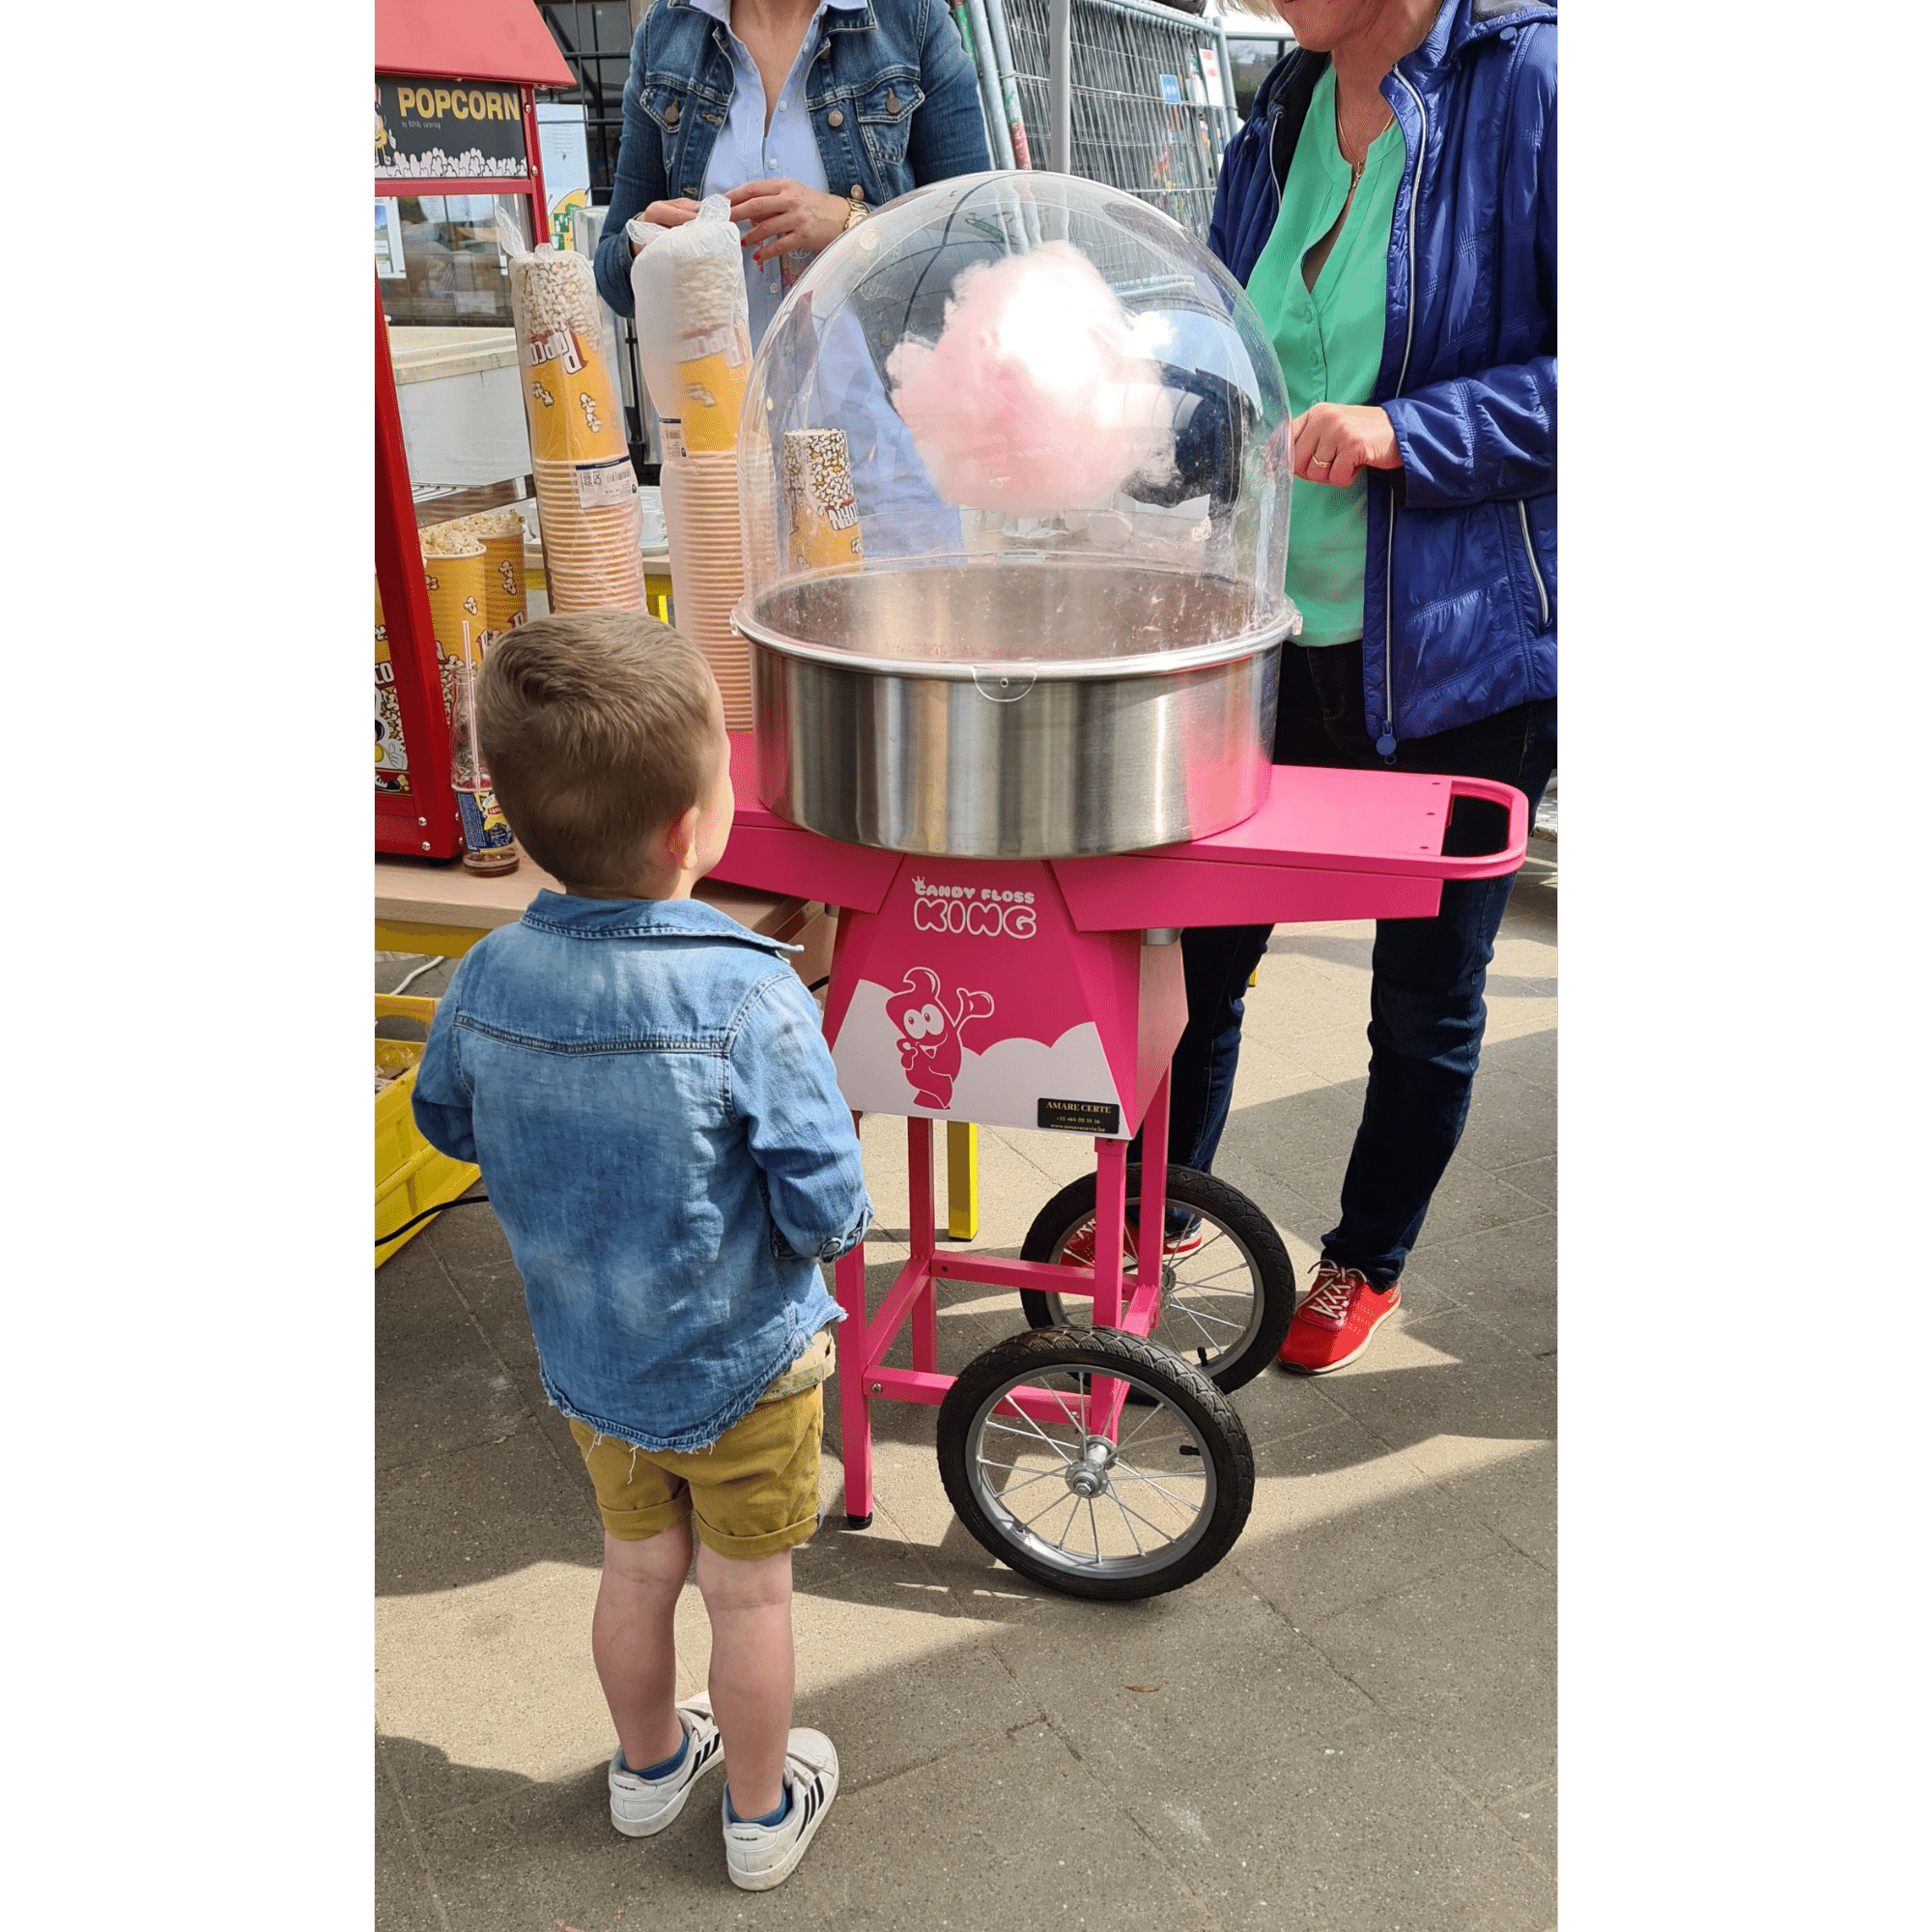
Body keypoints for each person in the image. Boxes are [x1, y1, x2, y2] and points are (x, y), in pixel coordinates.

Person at [411, 612, 872, 1893]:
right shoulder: (749, 986)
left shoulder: (488, 971)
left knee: (636, 1565)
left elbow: (443, 1120)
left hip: (590, 1362)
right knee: (750, 1599)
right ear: (692, 830)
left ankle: (649, 1766)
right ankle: (762, 1813)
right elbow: (827, 1200)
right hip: (748, 1365)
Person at [1172, 0, 1556, 1374]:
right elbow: (1218, 345)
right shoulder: (1276, 111)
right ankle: (1160, 1211)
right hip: (1268, 636)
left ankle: (1363, 1255)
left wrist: (1413, 430)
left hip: (1461, 655)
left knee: (1427, 992)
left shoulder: (1535, 86)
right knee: (1196, 948)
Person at [592, 0, 991, 348]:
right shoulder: (666, 31)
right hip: (716, 422)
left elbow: (980, 248)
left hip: (874, 420)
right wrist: (643, 247)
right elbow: (614, 278)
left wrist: (851, 224)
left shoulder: (912, 21)